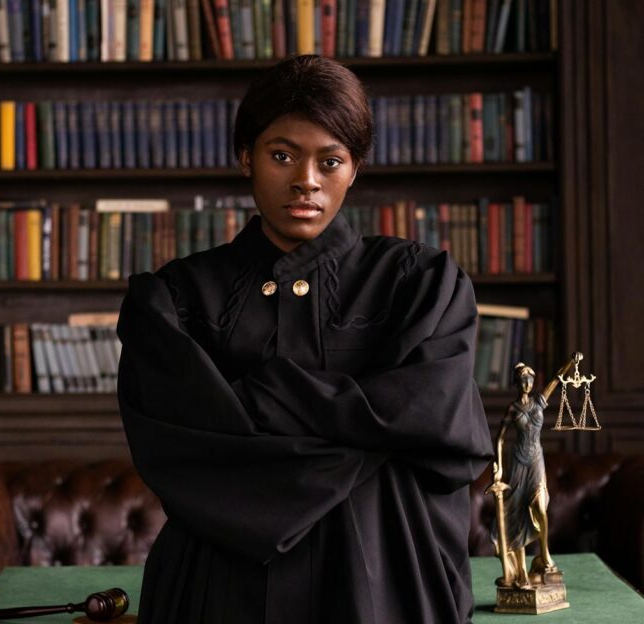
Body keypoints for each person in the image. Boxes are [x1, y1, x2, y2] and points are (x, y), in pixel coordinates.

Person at [116, 55, 493, 623]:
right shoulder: (177, 296)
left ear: (356, 167)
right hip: (216, 592)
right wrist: (369, 431)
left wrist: (261, 396)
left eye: (331, 160)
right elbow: (181, 456)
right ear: (246, 155)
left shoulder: (420, 283)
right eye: (282, 155)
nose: (306, 181)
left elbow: (439, 426)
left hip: (387, 582)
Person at [490, 355, 580, 589]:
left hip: (536, 460)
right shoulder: (512, 408)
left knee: (540, 507)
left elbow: (556, 380)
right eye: (523, 380)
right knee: (518, 512)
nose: (528, 383)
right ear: (517, 383)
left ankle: (544, 553)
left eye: (530, 379)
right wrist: (498, 465)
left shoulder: (539, 402)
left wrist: (571, 362)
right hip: (518, 461)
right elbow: (500, 438)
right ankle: (519, 571)